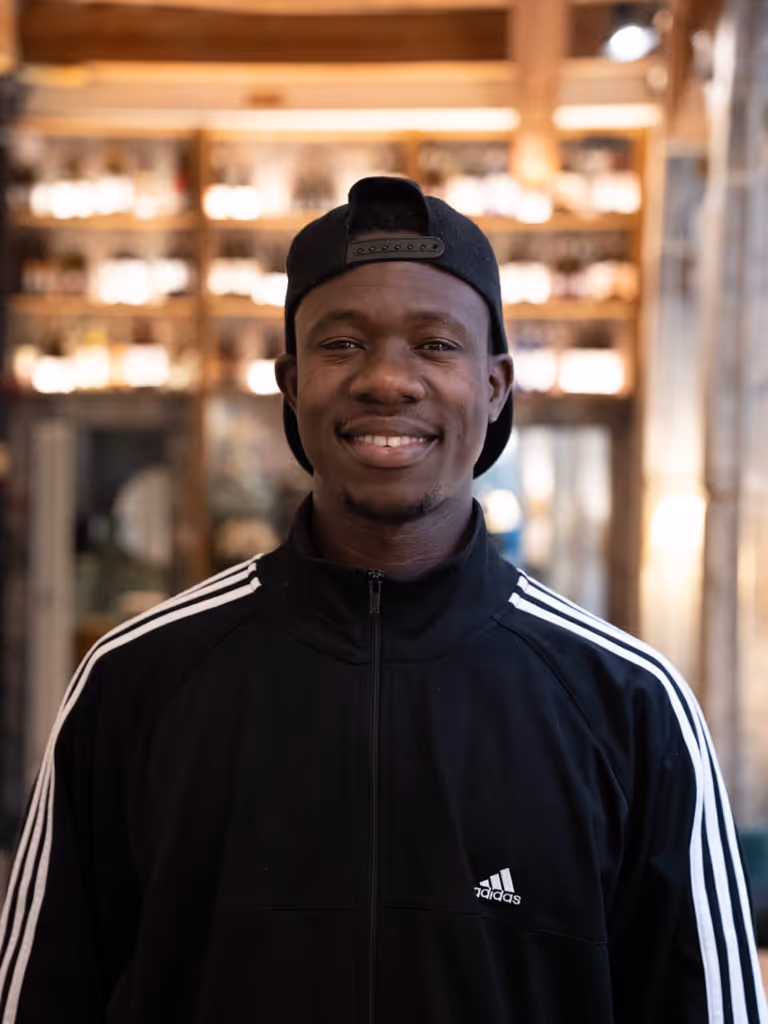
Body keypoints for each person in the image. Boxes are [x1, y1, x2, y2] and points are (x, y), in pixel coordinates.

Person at [0, 176, 765, 1024]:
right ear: (290, 381)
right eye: (342, 344)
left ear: (497, 384)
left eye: (435, 345)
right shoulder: (137, 681)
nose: (387, 381)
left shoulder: (628, 703)